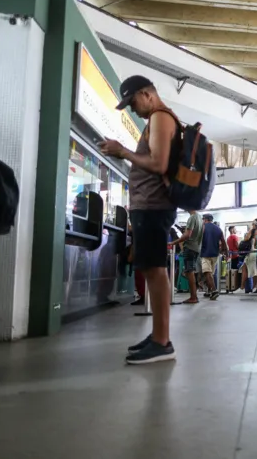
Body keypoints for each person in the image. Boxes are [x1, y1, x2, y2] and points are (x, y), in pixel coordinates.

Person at [100, 75, 181, 364]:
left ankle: (162, 342)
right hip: (150, 207)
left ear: (146, 94)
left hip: (153, 207)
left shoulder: (160, 117)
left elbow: (158, 163)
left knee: (155, 271)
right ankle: (159, 335)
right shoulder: (157, 120)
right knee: (151, 269)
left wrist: (123, 151)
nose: (133, 109)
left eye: (132, 101)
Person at [169, 210, 203, 304]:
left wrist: (173, 242)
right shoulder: (199, 217)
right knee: (190, 271)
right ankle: (194, 296)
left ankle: (193, 297)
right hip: (196, 248)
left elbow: (187, 235)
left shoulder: (192, 218)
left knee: (189, 271)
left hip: (190, 248)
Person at [201, 214, 227, 300]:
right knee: (210, 273)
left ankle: (214, 291)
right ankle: (209, 292)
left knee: (207, 272)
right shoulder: (218, 229)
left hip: (205, 254)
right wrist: (225, 252)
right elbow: (223, 241)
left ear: (205, 219)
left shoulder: (203, 227)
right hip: (215, 254)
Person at [226, 226, 240, 291]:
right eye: (235, 229)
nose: (236, 230)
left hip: (232, 256)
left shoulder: (228, 238)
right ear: (231, 230)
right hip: (237, 255)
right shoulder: (235, 236)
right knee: (237, 271)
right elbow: (237, 245)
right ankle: (237, 286)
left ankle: (232, 286)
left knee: (233, 271)